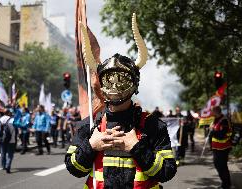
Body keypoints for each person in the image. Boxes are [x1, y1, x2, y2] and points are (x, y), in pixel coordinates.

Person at [65, 14, 176, 189]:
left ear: (134, 84)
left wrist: (136, 147)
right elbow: (74, 168)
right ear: (101, 84)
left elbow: (167, 172)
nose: (115, 85)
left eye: (121, 79)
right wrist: (92, 146)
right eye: (109, 80)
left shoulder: (153, 125)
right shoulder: (89, 126)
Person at [210, 106, 232, 189]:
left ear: (216, 111)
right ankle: (224, 183)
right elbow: (214, 133)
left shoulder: (224, 120)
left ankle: (226, 185)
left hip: (223, 148)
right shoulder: (216, 119)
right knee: (217, 165)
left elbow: (221, 135)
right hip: (216, 148)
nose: (211, 113)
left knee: (222, 166)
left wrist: (213, 131)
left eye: (212, 111)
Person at [0, 109, 17, 173]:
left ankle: (3, 166)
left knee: (3, 153)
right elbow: (17, 127)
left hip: (2, 139)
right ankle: (8, 166)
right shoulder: (12, 120)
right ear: (9, 113)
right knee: (10, 154)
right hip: (11, 139)